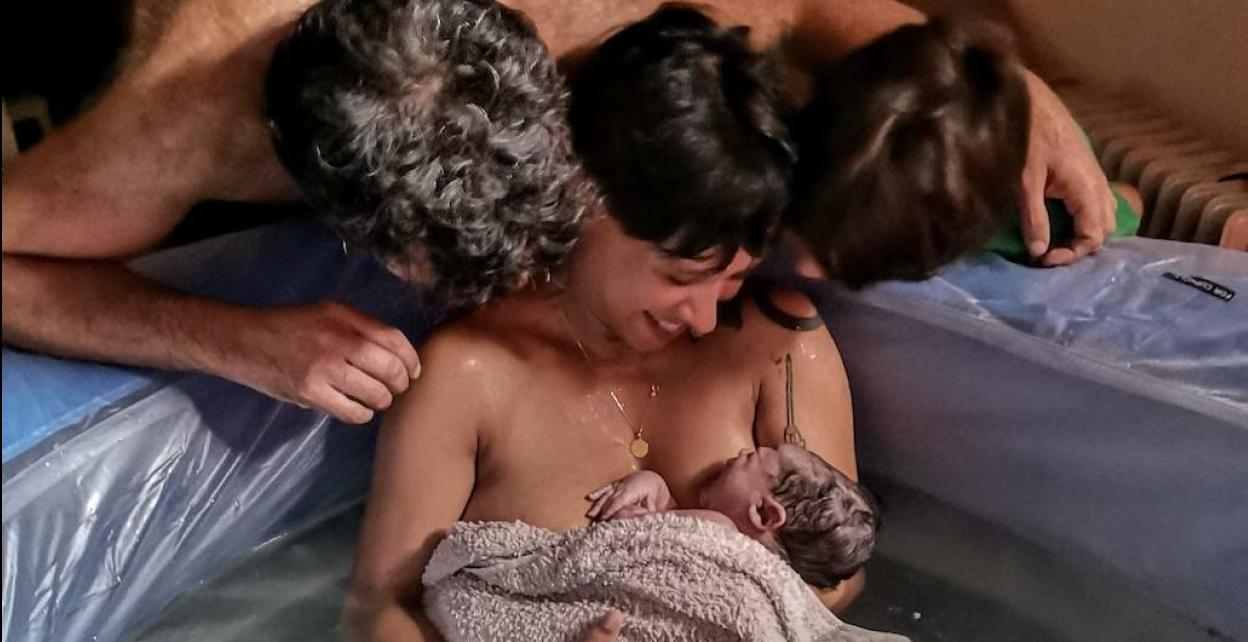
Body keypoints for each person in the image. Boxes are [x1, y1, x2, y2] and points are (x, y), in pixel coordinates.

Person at [1, 0, 1117, 423]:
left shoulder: (600, 11)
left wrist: (997, 93)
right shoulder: (175, 128)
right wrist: (233, 338)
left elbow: (812, 4)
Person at [343, 9, 858, 642]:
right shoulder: (473, 375)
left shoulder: (777, 345)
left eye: (734, 277)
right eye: (681, 275)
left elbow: (840, 567)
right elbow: (375, 612)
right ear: (586, 197)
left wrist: (716, 603)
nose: (704, 315)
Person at [790, 18, 1141, 287]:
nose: (807, 269)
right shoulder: (802, 147)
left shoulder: (1031, 221)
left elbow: (1129, 201)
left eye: (864, 252)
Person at [586, 443, 880, 591]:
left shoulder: (722, 531)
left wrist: (633, 508)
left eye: (749, 458)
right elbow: (668, 520)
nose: (739, 452)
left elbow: (630, 529)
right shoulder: (713, 537)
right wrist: (654, 485)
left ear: (763, 513)